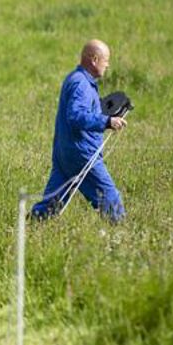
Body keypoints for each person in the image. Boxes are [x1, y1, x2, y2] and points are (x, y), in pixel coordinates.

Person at [31, 39, 127, 222]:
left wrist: (104, 112)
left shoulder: (76, 79)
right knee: (109, 198)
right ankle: (121, 237)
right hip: (82, 154)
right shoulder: (81, 84)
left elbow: (81, 111)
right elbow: (75, 116)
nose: (107, 65)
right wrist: (107, 121)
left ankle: (28, 229)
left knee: (52, 203)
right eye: (105, 60)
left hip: (64, 152)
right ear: (94, 59)